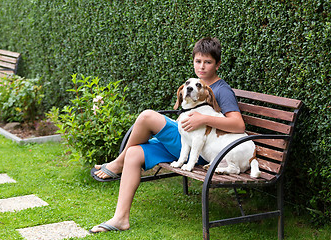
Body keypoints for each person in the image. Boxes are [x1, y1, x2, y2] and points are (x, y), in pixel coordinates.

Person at [89, 37, 245, 233]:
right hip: (182, 143)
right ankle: (120, 218)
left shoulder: (221, 90)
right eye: (198, 61)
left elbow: (238, 125)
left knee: (147, 116)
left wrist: (202, 119)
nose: (202, 67)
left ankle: (117, 163)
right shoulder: (194, 85)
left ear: (218, 64)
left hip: (199, 151)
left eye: (208, 62)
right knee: (134, 153)